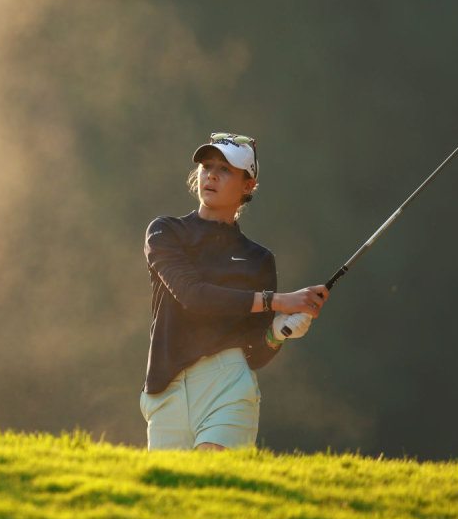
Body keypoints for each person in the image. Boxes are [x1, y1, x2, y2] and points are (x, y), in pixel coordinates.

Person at [140, 132, 330, 451]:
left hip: (227, 386)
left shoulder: (258, 259)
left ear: (248, 186)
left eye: (226, 169)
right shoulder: (165, 231)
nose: (212, 174)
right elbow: (193, 296)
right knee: (173, 496)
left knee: (210, 484)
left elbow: (254, 353)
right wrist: (277, 301)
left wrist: (277, 333)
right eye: (207, 165)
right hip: (165, 387)